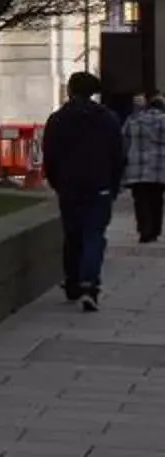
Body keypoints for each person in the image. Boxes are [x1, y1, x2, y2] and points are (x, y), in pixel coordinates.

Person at [43, 69, 125, 310]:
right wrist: (113, 185)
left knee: (73, 236)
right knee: (94, 235)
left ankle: (73, 282)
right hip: (98, 185)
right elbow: (117, 156)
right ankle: (90, 283)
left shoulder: (58, 119)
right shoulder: (108, 118)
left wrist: (57, 183)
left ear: (70, 90)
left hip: (69, 186)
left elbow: (50, 156)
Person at [126, 92, 165, 246]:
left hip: (137, 169)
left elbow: (123, 139)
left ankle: (144, 229)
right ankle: (155, 230)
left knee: (140, 200)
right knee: (157, 200)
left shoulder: (133, 120)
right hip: (159, 169)